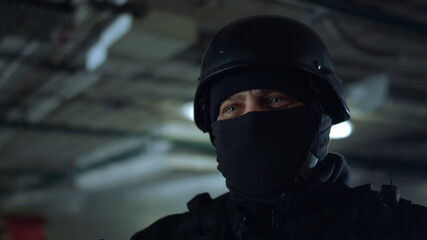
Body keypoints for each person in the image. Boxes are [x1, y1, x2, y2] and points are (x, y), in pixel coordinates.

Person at [131, 15, 427, 240]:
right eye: (232, 108)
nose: (252, 121)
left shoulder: (404, 229)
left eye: (274, 99)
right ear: (214, 130)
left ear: (320, 120)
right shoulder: (173, 236)